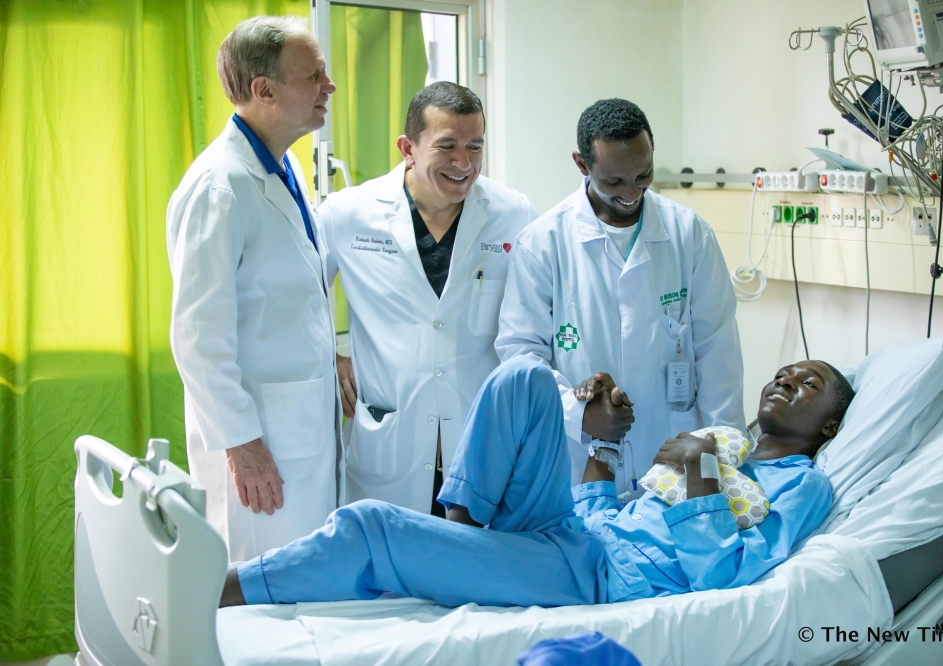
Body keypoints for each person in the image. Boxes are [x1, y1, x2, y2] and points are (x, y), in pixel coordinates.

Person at [220, 356, 852, 608]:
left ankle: (214, 590)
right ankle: (461, 532)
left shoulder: (804, 486)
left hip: (605, 579)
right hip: (577, 532)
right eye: (785, 372)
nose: (786, 381)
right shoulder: (722, 439)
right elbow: (614, 509)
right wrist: (604, 439)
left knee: (368, 526)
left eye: (808, 385)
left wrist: (697, 468)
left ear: (827, 427)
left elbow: (721, 573)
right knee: (523, 376)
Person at [496, 98, 744, 494]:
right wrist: (577, 412)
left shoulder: (690, 235)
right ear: (582, 165)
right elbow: (521, 354)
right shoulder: (543, 244)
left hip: (676, 462)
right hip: (579, 460)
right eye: (614, 181)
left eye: (643, 175)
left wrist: (725, 457)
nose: (632, 192)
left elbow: (719, 353)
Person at [315, 82, 536, 515]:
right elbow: (298, 298)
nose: (463, 163)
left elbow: (539, 312)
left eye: (475, 147)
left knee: (471, 572)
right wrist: (332, 356)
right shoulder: (348, 214)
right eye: (447, 146)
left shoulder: (513, 214)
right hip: (390, 438)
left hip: (479, 438)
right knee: (387, 574)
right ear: (407, 147)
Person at [167, 16, 339, 561]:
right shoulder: (221, 186)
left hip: (297, 421)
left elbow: (286, 290)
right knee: (260, 591)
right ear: (264, 91)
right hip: (260, 440)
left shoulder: (283, 165)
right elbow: (197, 336)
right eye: (313, 75)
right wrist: (242, 445)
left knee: (299, 580)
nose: (328, 86)